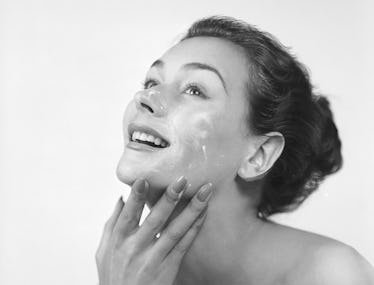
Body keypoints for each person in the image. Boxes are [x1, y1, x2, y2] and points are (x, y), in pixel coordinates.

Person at [95, 15, 374, 285]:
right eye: (151, 82)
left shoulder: (332, 275)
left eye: (194, 90)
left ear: (258, 155)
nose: (144, 98)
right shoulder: (128, 269)